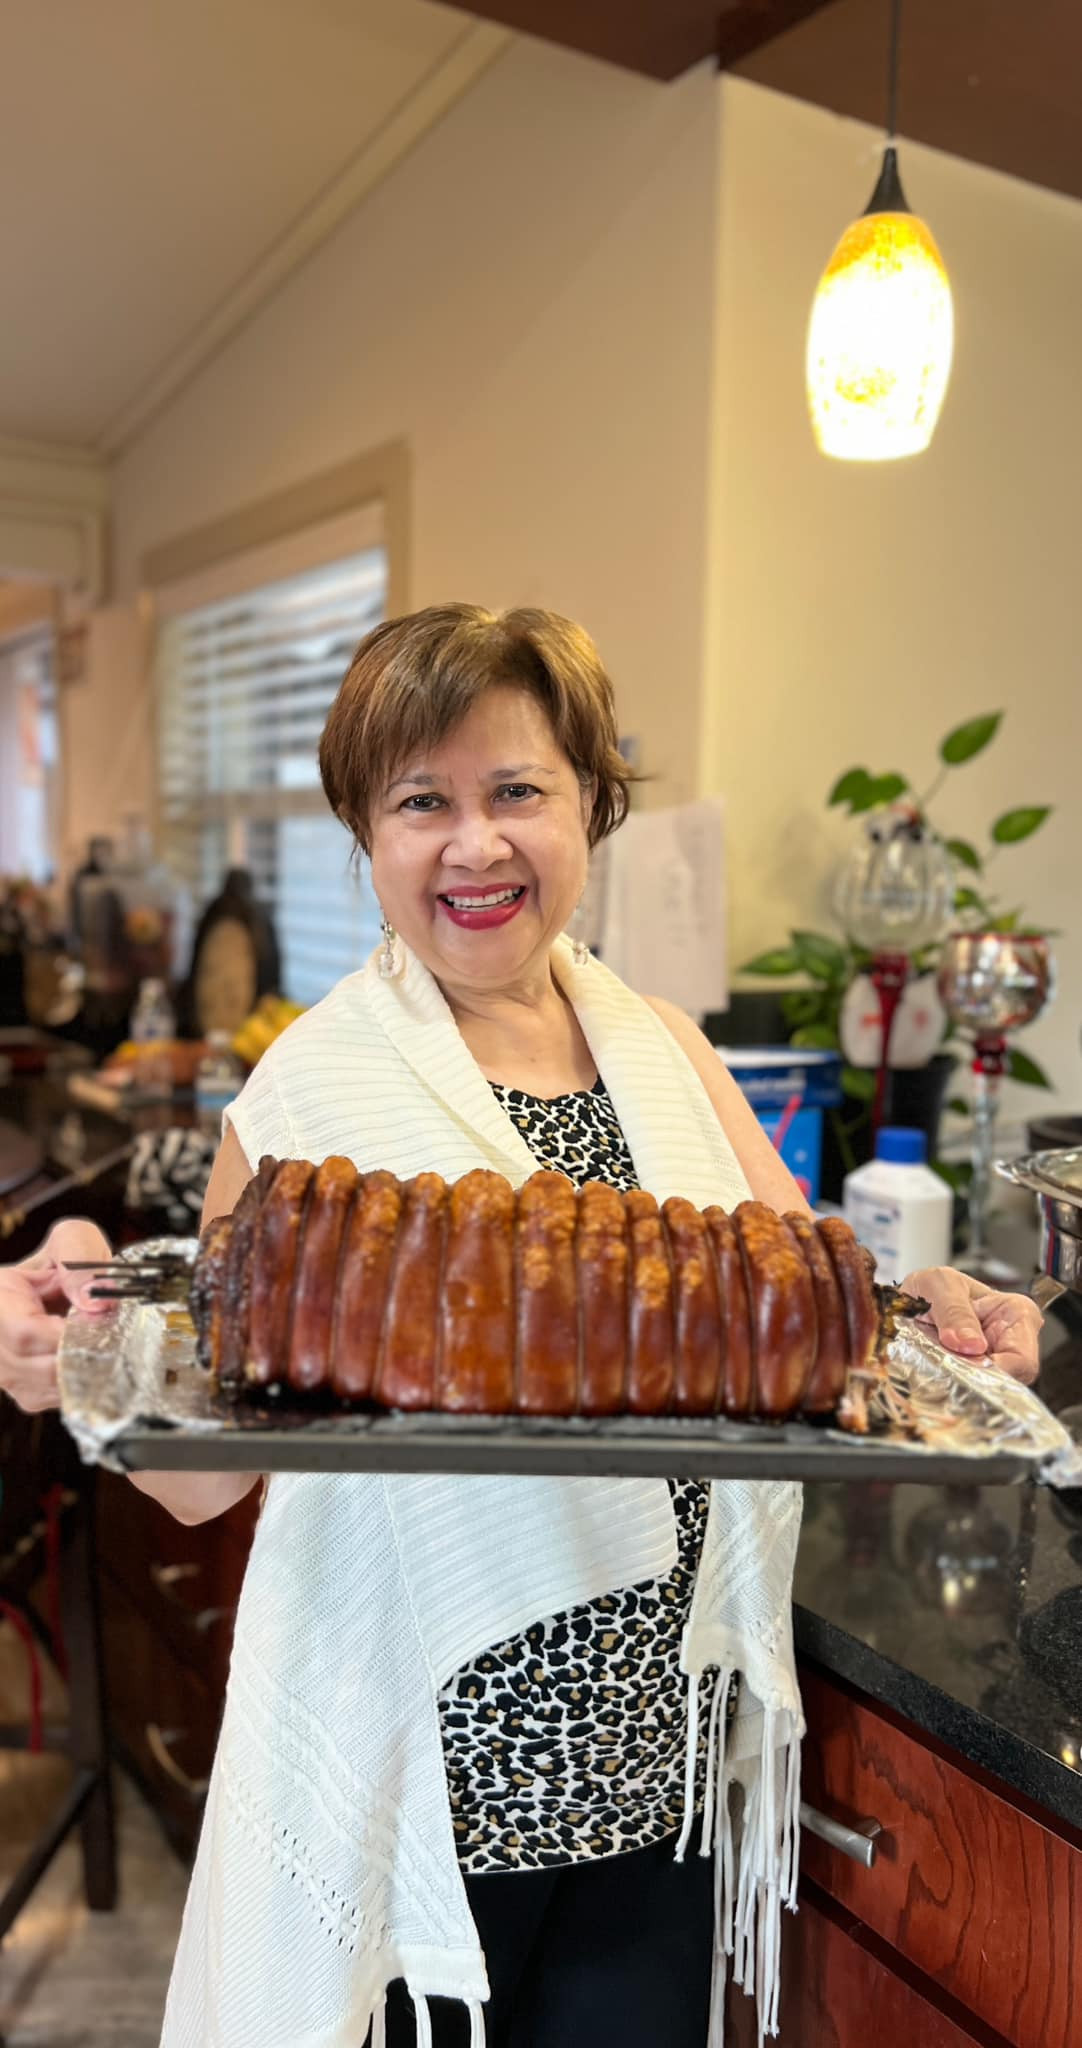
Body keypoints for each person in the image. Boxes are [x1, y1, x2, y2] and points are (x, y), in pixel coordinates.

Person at [0, 605, 1043, 2048]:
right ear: (366, 835)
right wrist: (77, 1334)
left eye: (516, 791)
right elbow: (202, 1469)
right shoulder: (306, 1089)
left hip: (656, 1772)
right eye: (420, 802)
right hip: (429, 1794)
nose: (474, 844)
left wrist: (941, 1303)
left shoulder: (664, 1047)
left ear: (589, 806)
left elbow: (813, 1292)